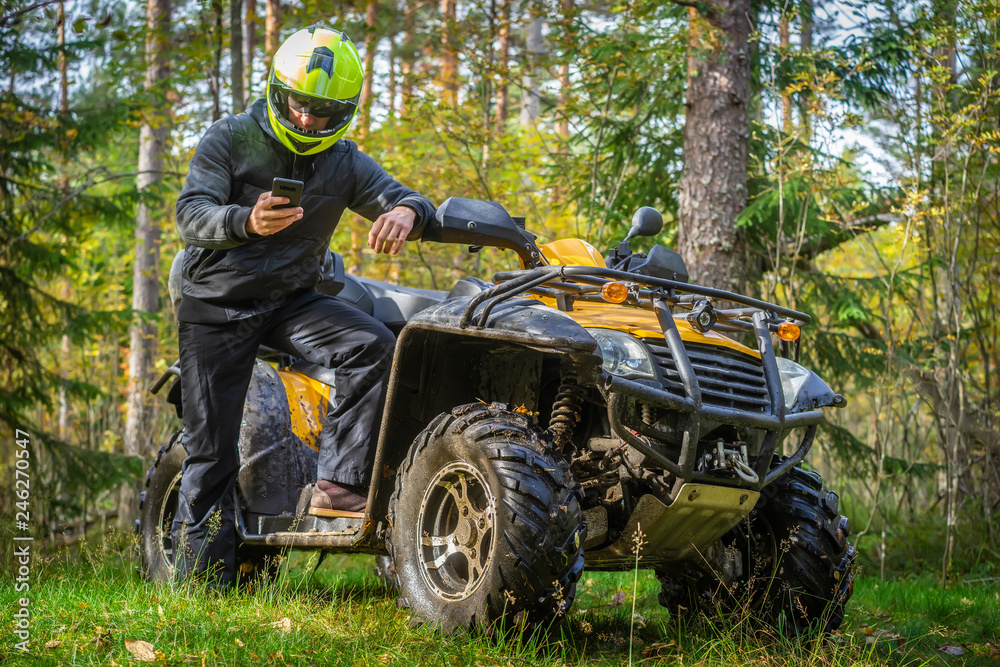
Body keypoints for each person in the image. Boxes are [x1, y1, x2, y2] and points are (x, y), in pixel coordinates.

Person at [170, 25, 434, 587]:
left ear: (346, 109)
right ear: (277, 89)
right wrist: (243, 221)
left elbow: (403, 195)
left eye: (324, 110)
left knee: (373, 345)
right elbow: (190, 214)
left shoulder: (344, 161)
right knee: (212, 452)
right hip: (216, 305)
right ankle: (196, 585)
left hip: (290, 300)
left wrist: (407, 212)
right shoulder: (231, 137)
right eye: (300, 105)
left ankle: (338, 483)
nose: (309, 120)